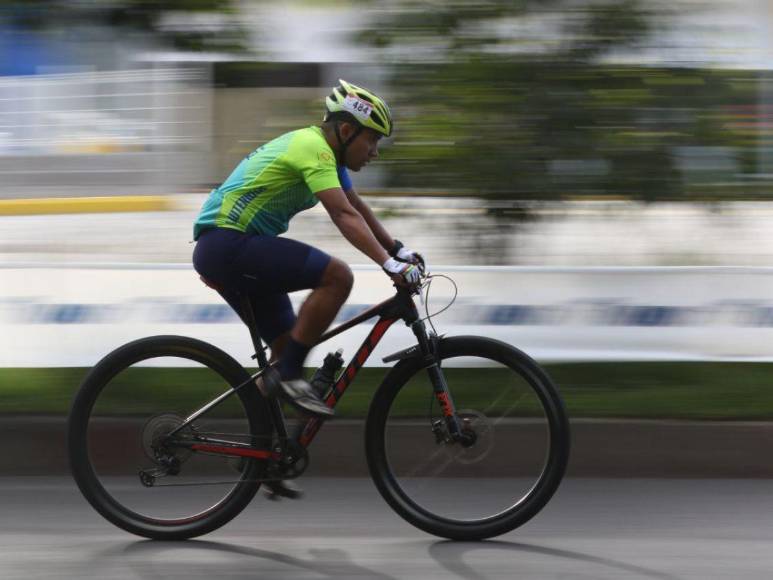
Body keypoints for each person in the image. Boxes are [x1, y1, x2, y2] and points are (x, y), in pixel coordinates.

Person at [192, 79, 425, 420]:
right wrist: (389, 265)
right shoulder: (311, 147)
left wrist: (398, 251)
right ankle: (289, 378)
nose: (375, 151)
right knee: (338, 277)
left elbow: (355, 205)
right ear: (346, 130)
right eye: (372, 139)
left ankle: (262, 460)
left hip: (230, 248)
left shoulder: (327, 156)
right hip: (228, 244)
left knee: (286, 348)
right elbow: (342, 214)